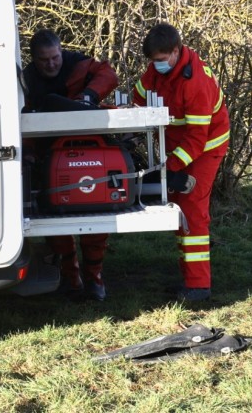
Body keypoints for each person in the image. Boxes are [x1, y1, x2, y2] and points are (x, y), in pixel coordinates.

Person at [133, 23, 229, 302]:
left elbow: (197, 139)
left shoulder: (196, 83)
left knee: (193, 209)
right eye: (153, 62)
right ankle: (188, 275)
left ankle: (199, 286)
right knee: (179, 206)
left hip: (207, 146)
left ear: (175, 52)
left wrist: (168, 169)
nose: (156, 66)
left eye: (160, 61)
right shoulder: (158, 66)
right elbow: (139, 96)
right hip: (178, 143)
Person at [21, 29, 118, 301]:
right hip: (50, 155)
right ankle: (70, 277)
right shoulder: (27, 81)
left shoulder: (78, 63)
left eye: (55, 58)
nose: (51, 64)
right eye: (44, 60)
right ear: (34, 59)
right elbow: (22, 119)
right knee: (56, 221)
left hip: (89, 150)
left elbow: (108, 75)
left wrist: (89, 95)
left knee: (95, 216)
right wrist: (28, 154)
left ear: (61, 51)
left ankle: (95, 280)